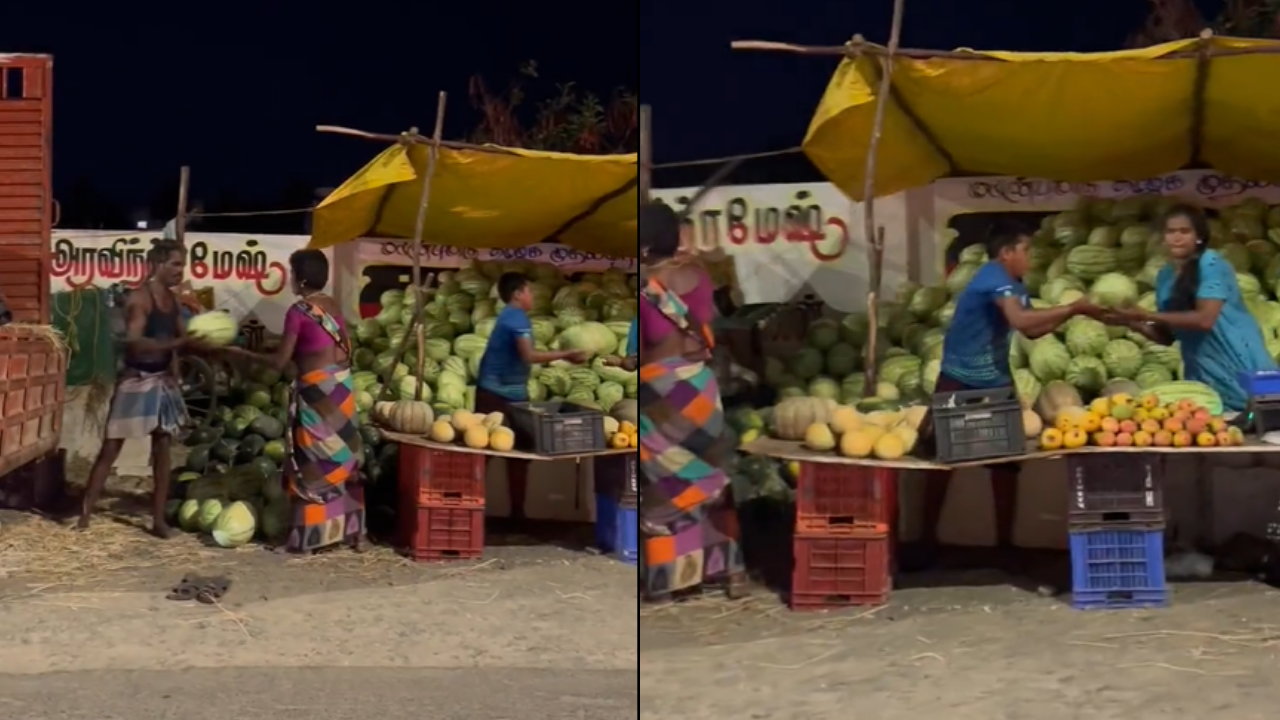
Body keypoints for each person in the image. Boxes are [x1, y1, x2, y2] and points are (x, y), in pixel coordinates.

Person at [914, 221, 1102, 570]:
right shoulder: (993, 277)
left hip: (994, 377)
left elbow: (1035, 330)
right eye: (1025, 250)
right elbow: (1022, 322)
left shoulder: (1012, 283)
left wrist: (1072, 314)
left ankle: (1004, 544)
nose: (1029, 258)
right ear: (1006, 253)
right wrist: (1073, 308)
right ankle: (927, 540)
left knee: (1005, 461)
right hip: (959, 375)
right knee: (943, 459)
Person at [637, 201, 746, 602]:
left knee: (665, 487)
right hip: (701, 388)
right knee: (711, 483)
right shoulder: (699, 275)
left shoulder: (644, 286)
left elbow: (646, 345)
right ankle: (733, 574)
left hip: (663, 394)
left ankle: (671, 582)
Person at [227, 250, 365, 553]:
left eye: (291, 273)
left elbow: (278, 364)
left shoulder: (298, 311)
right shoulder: (332, 306)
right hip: (341, 391)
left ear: (300, 279)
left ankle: (306, 539)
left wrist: (242, 354)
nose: (290, 279)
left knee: (313, 464)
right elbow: (318, 346)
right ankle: (353, 532)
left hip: (317, 396)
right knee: (342, 459)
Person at [78, 240, 204, 537]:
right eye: (175, 264)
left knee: (162, 450)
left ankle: (157, 521)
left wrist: (189, 353)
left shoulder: (172, 302)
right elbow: (135, 341)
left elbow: (182, 338)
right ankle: (84, 514)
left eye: (181, 265)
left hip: (161, 381)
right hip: (136, 381)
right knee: (111, 448)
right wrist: (178, 344)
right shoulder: (139, 298)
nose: (179, 270)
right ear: (158, 265)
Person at [1105, 204, 1277, 412]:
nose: (1177, 237)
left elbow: (1205, 320)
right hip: (1204, 375)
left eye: (1184, 231)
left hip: (1240, 361)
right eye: (1171, 232)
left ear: (1199, 236)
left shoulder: (1211, 263)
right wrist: (1129, 321)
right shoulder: (1165, 277)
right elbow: (1166, 337)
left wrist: (1146, 314)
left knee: (1262, 423)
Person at [474, 271, 589, 519]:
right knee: (487, 454)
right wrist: (566, 354)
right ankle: (485, 510)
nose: (532, 296)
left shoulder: (510, 316)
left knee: (509, 454)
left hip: (508, 392)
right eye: (529, 291)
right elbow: (528, 356)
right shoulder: (516, 318)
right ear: (518, 294)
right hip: (497, 393)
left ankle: (512, 513)